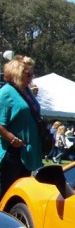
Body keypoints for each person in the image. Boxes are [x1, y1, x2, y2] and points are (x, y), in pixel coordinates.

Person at [0, 55, 44, 199]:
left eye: (32, 74)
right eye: (28, 74)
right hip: (11, 153)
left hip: (28, 153)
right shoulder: (6, 92)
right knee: (6, 194)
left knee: (20, 194)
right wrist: (12, 139)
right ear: (17, 73)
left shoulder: (27, 91)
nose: (31, 77)